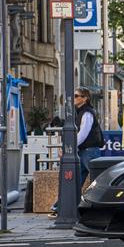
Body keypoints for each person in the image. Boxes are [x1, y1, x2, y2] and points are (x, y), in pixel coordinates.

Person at [48, 87, 103, 218]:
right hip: (86, 151)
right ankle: (60, 206)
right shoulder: (82, 112)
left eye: (76, 95)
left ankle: (93, 206)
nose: (74, 98)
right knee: (77, 180)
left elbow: (83, 133)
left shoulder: (87, 113)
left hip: (89, 151)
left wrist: (70, 147)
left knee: (97, 180)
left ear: (84, 98)